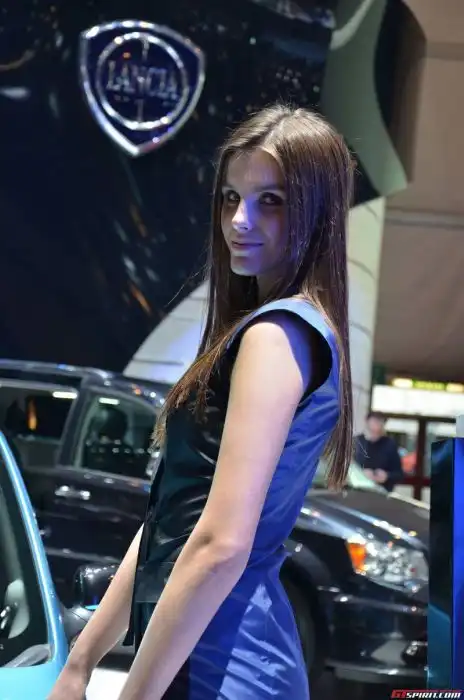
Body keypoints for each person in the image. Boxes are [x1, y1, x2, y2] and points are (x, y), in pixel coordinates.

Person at [47, 103, 354, 700]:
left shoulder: (276, 336)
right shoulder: (277, 331)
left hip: (223, 665)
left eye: (271, 201)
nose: (240, 220)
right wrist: (80, 664)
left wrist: (134, 695)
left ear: (317, 211)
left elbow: (221, 544)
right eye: (231, 197)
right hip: (209, 653)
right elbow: (171, 523)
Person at [354, 411, 403, 492]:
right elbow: (346, 470)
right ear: (367, 421)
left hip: (381, 491)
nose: (376, 424)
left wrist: (387, 476)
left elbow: (399, 474)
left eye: (380, 421)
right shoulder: (356, 442)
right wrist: (361, 474)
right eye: (374, 420)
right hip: (357, 491)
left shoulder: (389, 444)